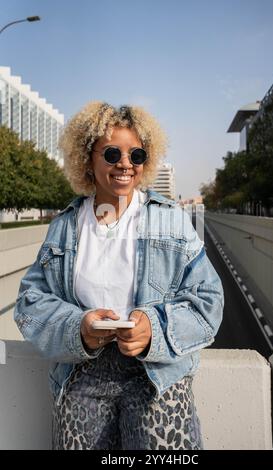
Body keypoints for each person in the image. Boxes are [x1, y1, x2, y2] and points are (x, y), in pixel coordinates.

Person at [14, 102, 224, 450]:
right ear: (87, 158)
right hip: (82, 375)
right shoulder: (64, 227)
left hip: (157, 376)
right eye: (112, 153)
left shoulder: (170, 220)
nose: (125, 163)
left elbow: (209, 301)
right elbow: (29, 303)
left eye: (136, 154)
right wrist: (77, 328)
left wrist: (152, 330)